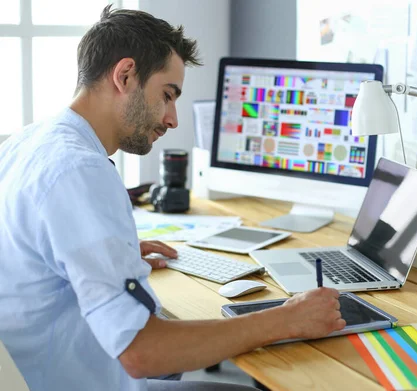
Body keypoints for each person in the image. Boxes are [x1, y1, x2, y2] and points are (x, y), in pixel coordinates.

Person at [0, 6, 345, 391]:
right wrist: (287, 319)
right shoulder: (81, 171)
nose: (172, 119)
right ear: (126, 75)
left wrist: (115, 252)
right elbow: (142, 353)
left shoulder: (29, 141)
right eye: (167, 95)